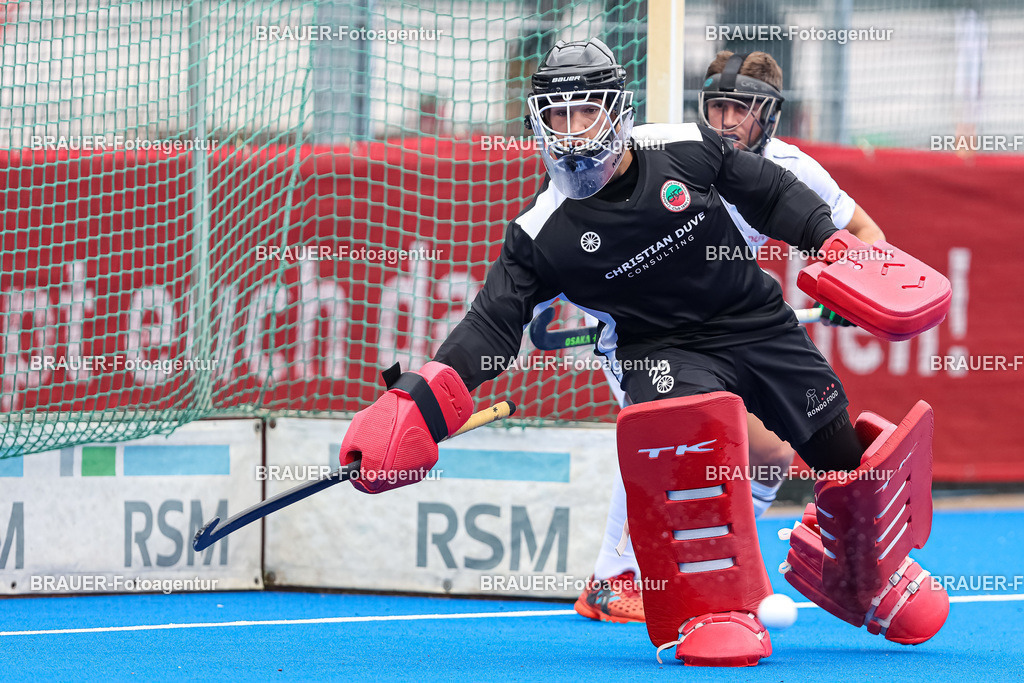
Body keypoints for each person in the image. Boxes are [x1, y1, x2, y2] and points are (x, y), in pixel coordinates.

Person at [337, 38, 947, 667]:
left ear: (617, 111)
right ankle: (706, 607)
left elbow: (766, 191)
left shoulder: (683, 145)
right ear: (537, 121)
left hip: (754, 321)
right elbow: (493, 326)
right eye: (557, 115)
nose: (572, 131)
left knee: (836, 446)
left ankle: (864, 568)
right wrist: (418, 403)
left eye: (586, 111)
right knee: (690, 454)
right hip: (660, 350)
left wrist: (828, 242)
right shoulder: (541, 232)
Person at [574, 50, 888, 625]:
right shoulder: (671, 154)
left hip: (722, 331)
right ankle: (608, 578)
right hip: (645, 337)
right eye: (717, 105)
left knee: (770, 452)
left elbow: (866, 233)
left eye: (740, 109)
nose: (725, 120)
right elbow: (579, 222)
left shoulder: (794, 168)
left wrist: (853, 289)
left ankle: (730, 555)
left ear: (767, 116)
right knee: (677, 433)